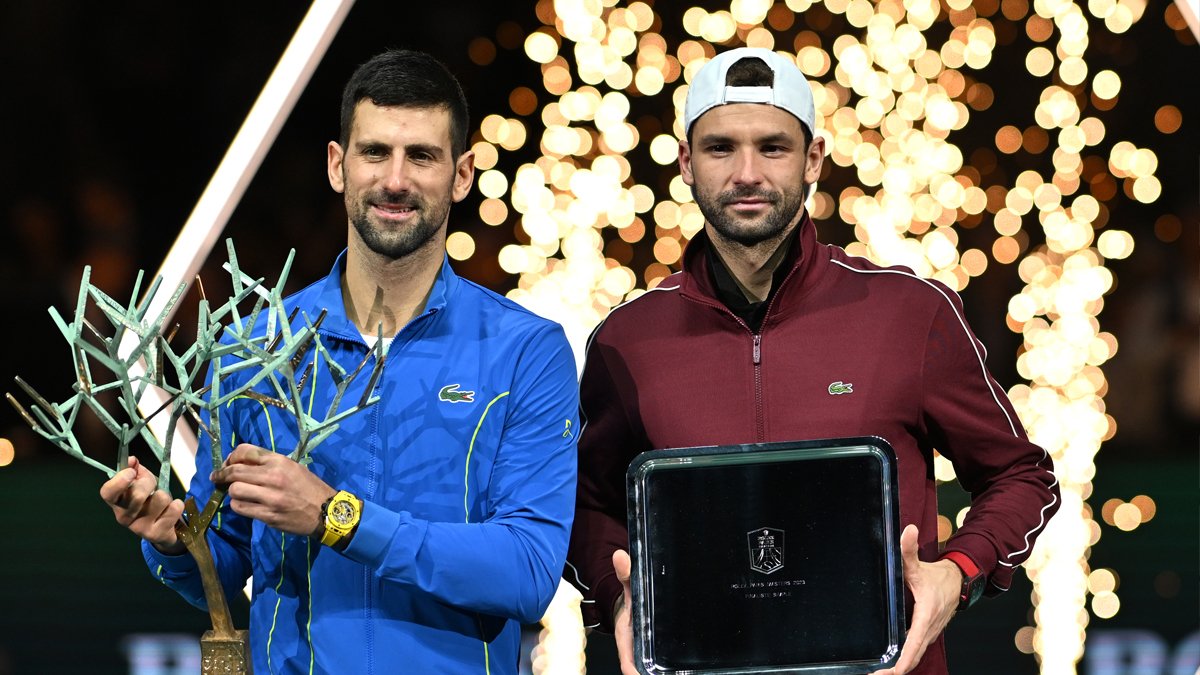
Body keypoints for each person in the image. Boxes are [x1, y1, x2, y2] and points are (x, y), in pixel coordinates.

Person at [565, 47, 1060, 675]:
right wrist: (621, 599)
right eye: (720, 148)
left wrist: (956, 573)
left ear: (814, 161)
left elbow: (1022, 476)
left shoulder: (912, 312)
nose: (747, 173)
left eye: (773, 147)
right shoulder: (625, 340)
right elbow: (583, 505)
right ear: (686, 163)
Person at [100, 49, 580, 674]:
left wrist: (339, 519)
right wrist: (172, 540)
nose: (396, 180)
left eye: (423, 156)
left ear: (462, 175)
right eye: (375, 152)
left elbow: (528, 571)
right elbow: (227, 558)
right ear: (338, 164)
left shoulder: (527, 350)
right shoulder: (253, 348)